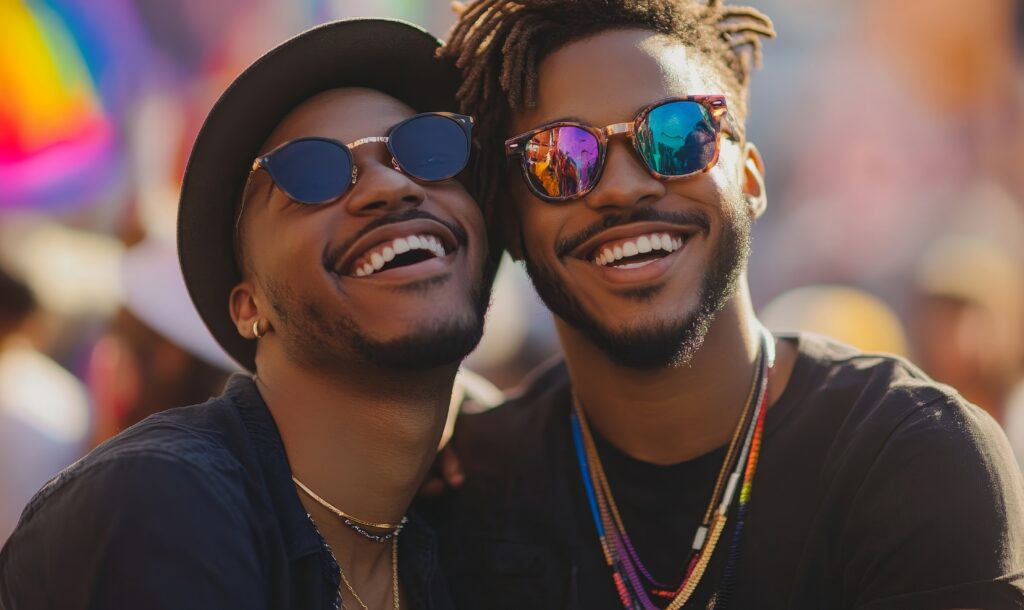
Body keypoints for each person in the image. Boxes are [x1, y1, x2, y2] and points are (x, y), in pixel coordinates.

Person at [425, 1, 1024, 608]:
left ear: (751, 176)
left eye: (678, 133)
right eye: (559, 159)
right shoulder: (466, 487)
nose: (625, 186)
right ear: (511, 226)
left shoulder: (912, 459)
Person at [1, 18, 497, 609]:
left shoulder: (482, 527)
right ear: (248, 305)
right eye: (312, 173)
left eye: (426, 148)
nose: (390, 186)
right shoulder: (163, 504)